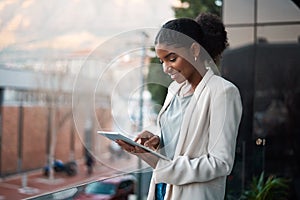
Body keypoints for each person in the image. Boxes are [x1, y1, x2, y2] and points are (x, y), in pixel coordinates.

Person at [117, 18, 242, 200]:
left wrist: (165, 167)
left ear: (194, 50)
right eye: (161, 61)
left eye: (172, 59)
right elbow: (179, 141)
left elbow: (221, 163)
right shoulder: (174, 90)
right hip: (162, 191)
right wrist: (157, 142)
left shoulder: (222, 92)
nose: (166, 68)